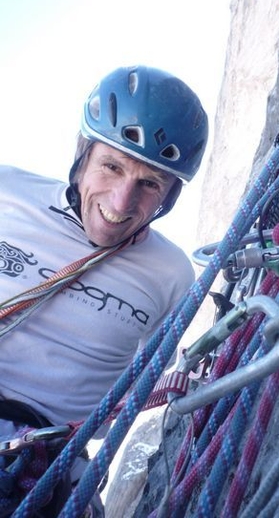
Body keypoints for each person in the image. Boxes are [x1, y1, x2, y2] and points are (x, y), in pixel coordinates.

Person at [0, 65, 208, 514]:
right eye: (111, 167)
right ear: (82, 153)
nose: (120, 203)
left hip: (47, 463)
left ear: (169, 197)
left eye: (149, 183)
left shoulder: (170, 276)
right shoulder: (6, 192)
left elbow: (136, 393)